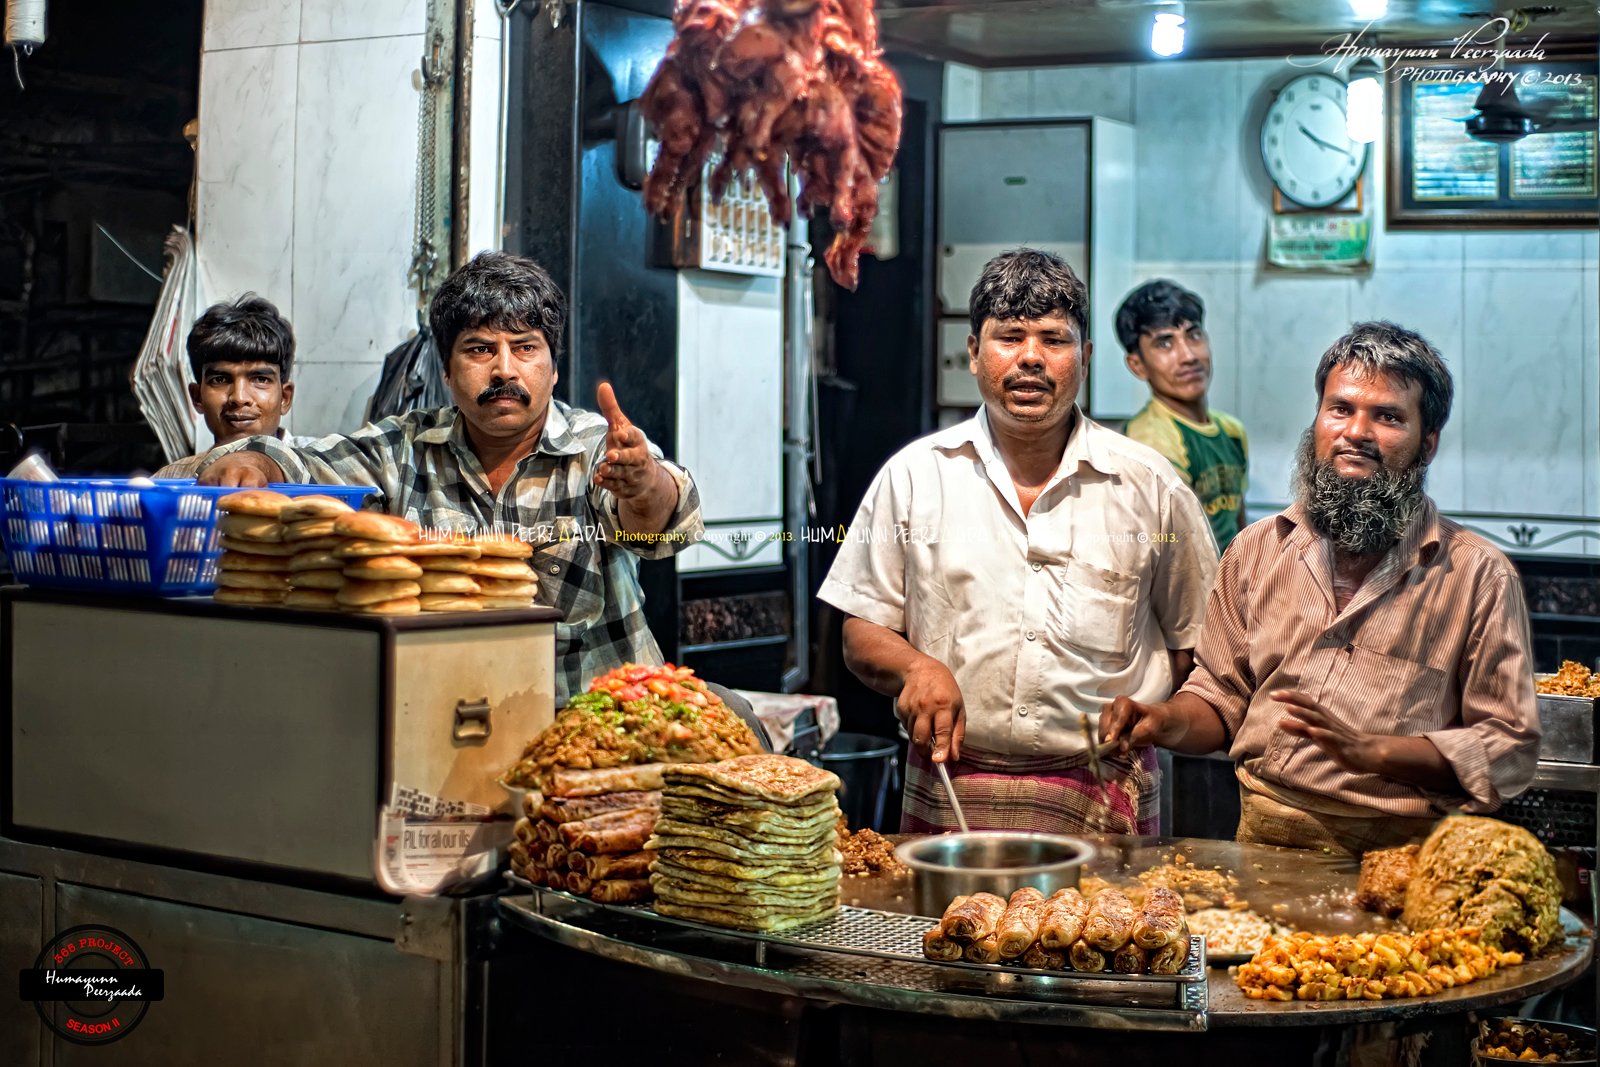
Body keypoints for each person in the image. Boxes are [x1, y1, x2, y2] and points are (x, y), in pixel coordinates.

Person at [817, 248, 1218, 836]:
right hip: (951, 784)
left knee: (1106, 933)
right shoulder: (914, 476)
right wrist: (915, 666)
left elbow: (1196, 644)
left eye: (1054, 339)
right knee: (946, 931)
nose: (1031, 358)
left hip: (1107, 792)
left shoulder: (1151, 487)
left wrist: (1154, 716)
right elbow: (861, 629)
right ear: (975, 353)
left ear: (1084, 357)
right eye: (1009, 337)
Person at [1101, 321, 1539, 855]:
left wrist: (1379, 753)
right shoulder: (1257, 551)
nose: (1357, 431)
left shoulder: (1478, 577)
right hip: (1260, 846)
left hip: (1400, 861)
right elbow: (1221, 697)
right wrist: (1163, 720)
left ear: (1427, 445)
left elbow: (1510, 750)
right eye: (1341, 409)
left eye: (1388, 417)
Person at [200, 251, 703, 703]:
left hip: (599, 724)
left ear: (552, 370)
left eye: (525, 348)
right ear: (446, 370)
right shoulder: (405, 447)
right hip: (450, 720)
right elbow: (309, 462)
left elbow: (660, 526)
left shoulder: (594, 447)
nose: (504, 369)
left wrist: (645, 483)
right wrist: (259, 461)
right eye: (480, 350)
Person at [1116, 280, 1250, 551]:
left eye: (1194, 335)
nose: (1188, 355)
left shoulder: (1231, 431)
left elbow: (1239, 526)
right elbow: (1177, 552)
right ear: (1137, 364)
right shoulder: (1149, 441)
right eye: (1165, 343)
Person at [155, 295, 300, 479]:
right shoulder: (171, 480)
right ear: (197, 397)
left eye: (261, 379)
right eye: (220, 380)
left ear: (285, 398)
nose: (239, 397)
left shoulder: (325, 471)